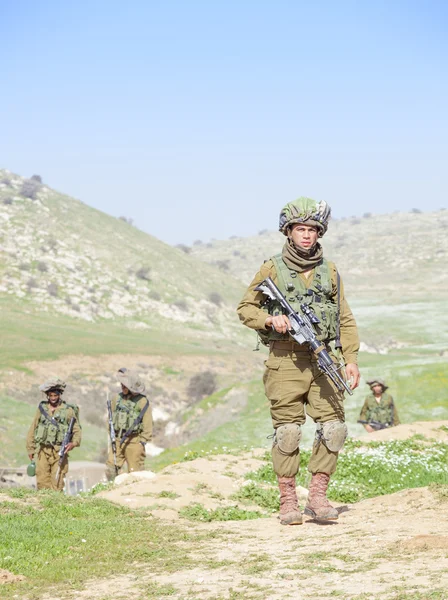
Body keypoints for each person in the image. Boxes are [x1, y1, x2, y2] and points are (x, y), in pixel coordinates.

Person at [237, 197, 360, 525]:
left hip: (324, 358)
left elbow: (344, 317)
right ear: (288, 231)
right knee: (288, 432)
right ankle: (288, 499)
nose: (306, 235)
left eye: (312, 230)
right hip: (285, 360)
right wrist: (269, 320)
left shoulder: (330, 270)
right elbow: (245, 309)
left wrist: (351, 359)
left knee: (334, 429)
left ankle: (317, 496)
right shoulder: (272, 269)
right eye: (300, 229)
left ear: (320, 233)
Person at [26, 379, 81, 491]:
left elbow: (77, 430)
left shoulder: (68, 411)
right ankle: (43, 507)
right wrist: (30, 449)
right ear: (47, 395)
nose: (53, 398)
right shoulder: (42, 409)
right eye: (50, 395)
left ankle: (55, 506)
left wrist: (73, 443)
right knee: (42, 482)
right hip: (43, 451)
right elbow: (33, 428)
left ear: (59, 395)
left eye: (55, 395)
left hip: (59, 452)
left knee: (57, 483)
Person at [105, 368, 152, 480]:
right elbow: (110, 418)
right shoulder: (117, 398)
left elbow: (147, 424)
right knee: (111, 469)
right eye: (122, 385)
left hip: (134, 441)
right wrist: (112, 435)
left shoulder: (142, 401)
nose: (123, 387)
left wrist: (142, 442)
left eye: (126, 386)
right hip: (117, 440)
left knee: (135, 473)